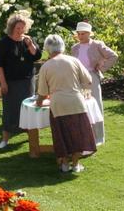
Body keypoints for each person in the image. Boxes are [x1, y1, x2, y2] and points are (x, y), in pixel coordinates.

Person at [36, 34, 96, 173]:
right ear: (62, 46)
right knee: (78, 136)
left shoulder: (46, 66)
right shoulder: (73, 61)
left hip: (58, 105)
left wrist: (39, 102)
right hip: (76, 102)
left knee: (61, 135)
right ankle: (75, 165)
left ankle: (64, 164)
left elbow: (43, 92)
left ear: (47, 49)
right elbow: (88, 80)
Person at [0, 12, 42, 149]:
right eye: (18, 28)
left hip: (27, 81)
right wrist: (3, 83)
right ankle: (5, 139)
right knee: (10, 110)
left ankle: (30, 136)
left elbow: (37, 56)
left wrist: (30, 44)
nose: (20, 31)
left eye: (23, 28)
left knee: (29, 109)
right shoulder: (4, 43)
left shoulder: (27, 40)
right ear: (12, 27)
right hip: (11, 82)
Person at [70, 22, 117, 144]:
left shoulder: (97, 45)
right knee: (81, 106)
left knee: (95, 105)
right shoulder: (74, 48)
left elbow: (113, 56)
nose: (81, 36)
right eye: (79, 34)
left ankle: (98, 137)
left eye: (83, 33)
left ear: (89, 33)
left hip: (91, 78)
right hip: (78, 79)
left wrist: (102, 67)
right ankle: (83, 135)